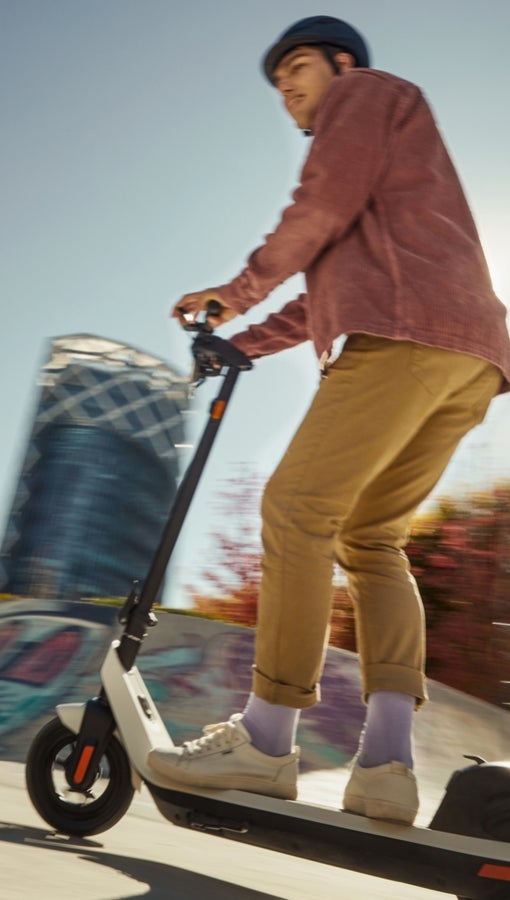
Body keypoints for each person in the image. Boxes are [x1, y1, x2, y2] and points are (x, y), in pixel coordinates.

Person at [149, 16, 510, 824]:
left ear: (341, 63)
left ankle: (267, 741)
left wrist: (230, 292)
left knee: (294, 510)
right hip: (470, 358)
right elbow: (324, 294)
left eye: (298, 70)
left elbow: (320, 204)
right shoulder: (394, 189)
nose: (291, 92)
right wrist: (240, 341)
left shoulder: (364, 95)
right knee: (371, 539)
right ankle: (386, 767)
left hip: (405, 341)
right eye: (280, 86)